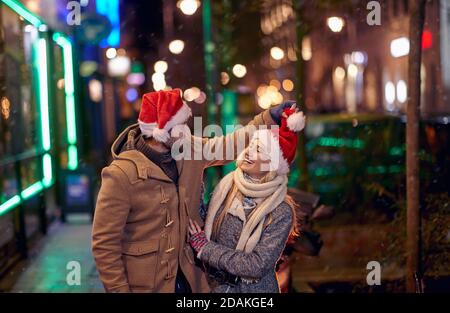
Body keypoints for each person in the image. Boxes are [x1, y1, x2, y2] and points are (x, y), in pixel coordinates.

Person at [91, 88, 293, 293]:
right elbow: (105, 244)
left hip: (190, 280)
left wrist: (268, 118)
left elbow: (228, 145)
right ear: (159, 130)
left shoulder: (187, 149)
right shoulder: (120, 175)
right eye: (179, 125)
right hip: (146, 285)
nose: (185, 130)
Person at [188, 106, 305, 293]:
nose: (248, 152)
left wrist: (207, 249)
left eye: (258, 150)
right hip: (214, 289)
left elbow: (256, 265)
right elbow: (206, 224)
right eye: (250, 146)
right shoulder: (227, 187)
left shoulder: (281, 210)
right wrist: (194, 183)